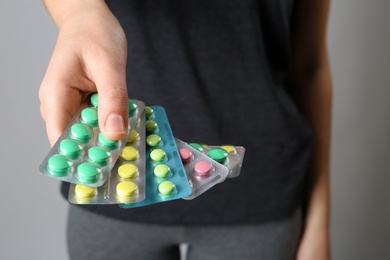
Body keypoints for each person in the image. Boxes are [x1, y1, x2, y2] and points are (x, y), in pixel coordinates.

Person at [39, 0, 332, 259]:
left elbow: (310, 67)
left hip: (261, 193)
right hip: (112, 184)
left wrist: (319, 224)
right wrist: (79, 11)